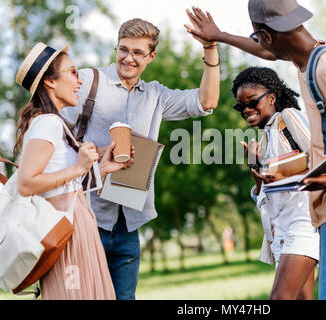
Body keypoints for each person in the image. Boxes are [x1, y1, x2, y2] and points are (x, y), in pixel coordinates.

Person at [185, 1, 326, 300]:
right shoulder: (305, 61)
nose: (258, 44)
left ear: (268, 35)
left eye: (258, 36)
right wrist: (219, 36)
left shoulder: (325, 67)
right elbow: (266, 51)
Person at [61, 16, 220, 300]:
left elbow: (205, 102)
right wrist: (97, 153)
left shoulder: (155, 95)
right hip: (86, 214)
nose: (128, 58)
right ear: (116, 48)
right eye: (123, 49)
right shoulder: (87, 82)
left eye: (137, 52)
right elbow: (55, 129)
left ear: (151, 56)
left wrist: (210, 50)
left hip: (128, 221)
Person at [14, 42, 133, 299]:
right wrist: (80, 166)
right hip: (65, 231)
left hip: (75, 226)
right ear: (50, 82)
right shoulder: (47, 123)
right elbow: (27, 184)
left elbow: (61, 185)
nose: (80, 81)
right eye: (72, 72)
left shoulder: (53, 123)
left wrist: (102, 169)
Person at [233, 66, 319, 300]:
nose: (247, 109)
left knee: (279, 298)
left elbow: (320, 160)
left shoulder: (287, 117)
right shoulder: (265, 137)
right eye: (240, 106)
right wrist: (255, 166)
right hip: (281, 227)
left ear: (271, 97)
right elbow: (266, 194)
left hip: (302, 222)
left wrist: (284, 176)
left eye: (252, 102)